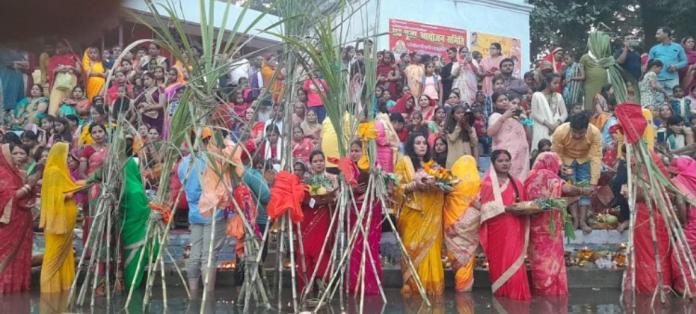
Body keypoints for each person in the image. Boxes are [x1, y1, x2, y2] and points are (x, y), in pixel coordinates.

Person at [525, 152, 592, 296]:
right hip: (549, 228)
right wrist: (582, 190)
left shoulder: (529, 176)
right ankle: (553, 297)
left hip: (533, 229)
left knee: (539, 263)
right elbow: (566, 189)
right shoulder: (546, 175)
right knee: (551, 264)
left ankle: (542, 295)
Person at [179, 128, 228, 297]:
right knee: (209, 256)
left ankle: (193, 294)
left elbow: (185, 187)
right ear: (207, 140)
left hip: (194, 213)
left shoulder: (183, 163)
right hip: (212, 213)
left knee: (195, 254)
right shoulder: (212, 160)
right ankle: (209, 296)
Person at [395, 133, 445, 296]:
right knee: (412, 249)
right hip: (412, 214)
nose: (422, 146)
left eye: (424, 143)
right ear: (411, 145)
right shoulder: (403, 163)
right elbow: (396, 188)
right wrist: (414, 185)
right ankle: (414, 288)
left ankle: (432, 290)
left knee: (431, 250)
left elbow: (443, 186)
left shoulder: (434, 165)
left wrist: (437, 185)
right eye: (418, 143)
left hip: (431, 215)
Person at [479, 149, 531, 300]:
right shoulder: (488, 184)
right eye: (500, 161)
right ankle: (503, 296)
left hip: (515, 228)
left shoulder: (517, 183)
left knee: (516, 262)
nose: (504, 163)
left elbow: (525, 203)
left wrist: (526, 209)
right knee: (501, 262)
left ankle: (518, 298)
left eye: (507, 160)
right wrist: (505, 208)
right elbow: (484, 208)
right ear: (493, 164)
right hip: (498, 231)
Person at [40, 142, 84, 293]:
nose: (68, 158)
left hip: (67, 219)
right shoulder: (53, 172)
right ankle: (49, 292)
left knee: (64, 254)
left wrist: (85, 183)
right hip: (58, 221)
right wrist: (76, 190)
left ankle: (63, 289)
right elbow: (56, 197)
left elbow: (71, 185)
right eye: (66, 155)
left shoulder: (62, 171)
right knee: (54, 254)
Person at [552, 113, 602, 233]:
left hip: (585, 160)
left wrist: (594, 182)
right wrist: (560, 165)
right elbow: (556, 152)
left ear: (587, 128)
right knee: (571, 189)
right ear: (570, 127)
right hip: (566, 161)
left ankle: (583, 220)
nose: (577, 135)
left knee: (586, 189)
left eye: (581, 133)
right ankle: (575, 219)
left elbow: (596, 157)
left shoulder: (594, 133)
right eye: (574, 132)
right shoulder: (560, 131)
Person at [0, 143, 40, 294]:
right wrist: (29, 186)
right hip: (9, 222)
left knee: (21, 255)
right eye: (14, 153)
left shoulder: (21, 173)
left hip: (24, 219)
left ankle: (17, 289)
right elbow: (10, 197)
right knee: (6, 255)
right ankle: (4, 291)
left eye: (20, 153)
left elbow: (28, 197)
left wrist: (31, 187)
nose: (17, 157)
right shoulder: (2, 173)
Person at [297, 150, 337, 292]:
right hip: (310, 220)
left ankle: (322, 282)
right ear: (311, 164)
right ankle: (308, 286)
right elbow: (303, 200)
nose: (319, 163)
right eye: (315, 161)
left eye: (321, 160)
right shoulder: (306, 182)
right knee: (307, 248)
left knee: (322, 249)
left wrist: (329, 197)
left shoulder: (333, 178)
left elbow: (337, 197)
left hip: (326, 218)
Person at [443, 156, 480, 292]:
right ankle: (464, 293)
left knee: (456, 256)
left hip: (451, 226)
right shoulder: (478, 182)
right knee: (467, 256)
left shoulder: (451, 183)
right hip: (471, 227)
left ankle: (461, 293)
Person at [79, 123, 109, 249]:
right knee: (92, 217)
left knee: (108, 218)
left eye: (100, 131)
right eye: (94, 132)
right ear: (91, 135)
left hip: (109, 188)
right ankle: (91, 250)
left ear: (105, 133)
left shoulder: (112, 148)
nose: (98, 135)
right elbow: (82, 172)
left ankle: (107, 248)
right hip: (92, 189)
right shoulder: (87, 149)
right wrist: (93, 184)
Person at [487, 92, 531, 180]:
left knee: (521, 182)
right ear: (495, 104)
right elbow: (490, 133)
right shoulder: (495, 116)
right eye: (500, 101)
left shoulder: (518, 117)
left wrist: (525, 122)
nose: (504, 102)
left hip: (521, 156)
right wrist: (504, 117)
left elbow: (529, 137)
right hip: (505, 156)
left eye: (505, 99)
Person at [648, 27, 687, 103]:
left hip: (672, 78)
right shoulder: (654, 48)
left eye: (658, 33)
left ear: (666, 34)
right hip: (658, 78)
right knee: (658, 100)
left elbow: (685, 61)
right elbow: (649, 62)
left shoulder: (678, 47)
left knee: (675, 99)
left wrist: (676, 66)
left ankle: (675, 114)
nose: (656, 36)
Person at [531, 73, 568, 151]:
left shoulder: (559, 96)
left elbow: (564, 113)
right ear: (547, 83)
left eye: (558, 83)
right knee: (540, 151)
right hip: (541, 126)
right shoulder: (537, 95)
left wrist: (555, 125)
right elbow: (534, 114)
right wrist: (549, 125)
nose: (557, 85)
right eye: (555, 83)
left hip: (556, 127)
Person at [47, 41, 81, 116]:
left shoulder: (74, 57)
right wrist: (58, 69)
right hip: (58, 83)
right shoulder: (54, 58)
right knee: (55, 102)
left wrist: (71, 68)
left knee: (67, 102)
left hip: (71, 82)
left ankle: (68, 120)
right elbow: (50, 70)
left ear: (68, 47)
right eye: (58, 47)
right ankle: (52, 120)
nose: (60, 49)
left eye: (62, 47)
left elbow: (79, 71)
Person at [580, 34, 610, 111]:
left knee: (604, 109)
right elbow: (582, 75)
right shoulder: (584, 58)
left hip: (604, 87)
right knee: (590, 109)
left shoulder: (605, 57)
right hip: (590, 87)